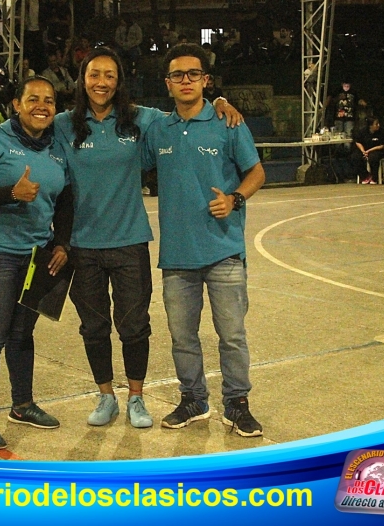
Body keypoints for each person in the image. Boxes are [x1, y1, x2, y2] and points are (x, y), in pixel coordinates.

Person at [0, 47, 241, 430]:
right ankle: (105, 396)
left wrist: (220, 101)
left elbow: (186, 108)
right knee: (94, 327)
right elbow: (22, 126)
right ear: (83, 79)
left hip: (130, 241)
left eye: (110, 75)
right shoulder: (64, 124)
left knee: (134, 326)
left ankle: (136, 398)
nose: (102, 82)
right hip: (82, 246)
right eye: (94, 74)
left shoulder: (140, 120)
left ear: (119, 81)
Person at [142, 43, 265, 436]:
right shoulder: (158, 128)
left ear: (206, 80)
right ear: (168, 83)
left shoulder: (227, 123)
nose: (186, 81)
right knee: (182, 337)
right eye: (178, 75)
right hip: (177, 256)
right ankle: (193, 399)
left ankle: (237, 404)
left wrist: (236, 198)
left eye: (193, 74)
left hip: (224, 251)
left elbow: (257, 172)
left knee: (231, 335)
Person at [0, 76, 72, 450]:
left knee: (23, 334)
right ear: (16, 104)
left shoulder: (59, 144)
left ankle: (22, 405)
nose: (42, 106)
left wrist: (61, 243)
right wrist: (11, 193)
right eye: (33, 99)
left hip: (37, 253)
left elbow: (66, 199)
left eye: (50, 101)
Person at [332, 80, 366, 152]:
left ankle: (347, 152)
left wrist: (362, 102)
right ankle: (338, 152)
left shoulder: (353, 92)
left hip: (349, 118)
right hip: (338, 118)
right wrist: (338, 98)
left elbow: (358, 101)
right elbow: (332, 101)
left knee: (348, 135)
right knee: (338, 135)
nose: (346, 87)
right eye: (345, 85)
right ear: (342, 84)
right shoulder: (337, 91)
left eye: (348, 85)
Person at [352, 117, 384, 185]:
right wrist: (363, 151)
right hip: (364, 150)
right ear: (370, 126)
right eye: (376, 124)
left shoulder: (381, 132)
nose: (378, 125)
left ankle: (374, 177)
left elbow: (382, 145)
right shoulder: (362, 131)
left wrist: (369, 151)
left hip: (376, 150)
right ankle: (365, 176)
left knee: (373, 157)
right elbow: (358, 142)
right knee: (355, 157)